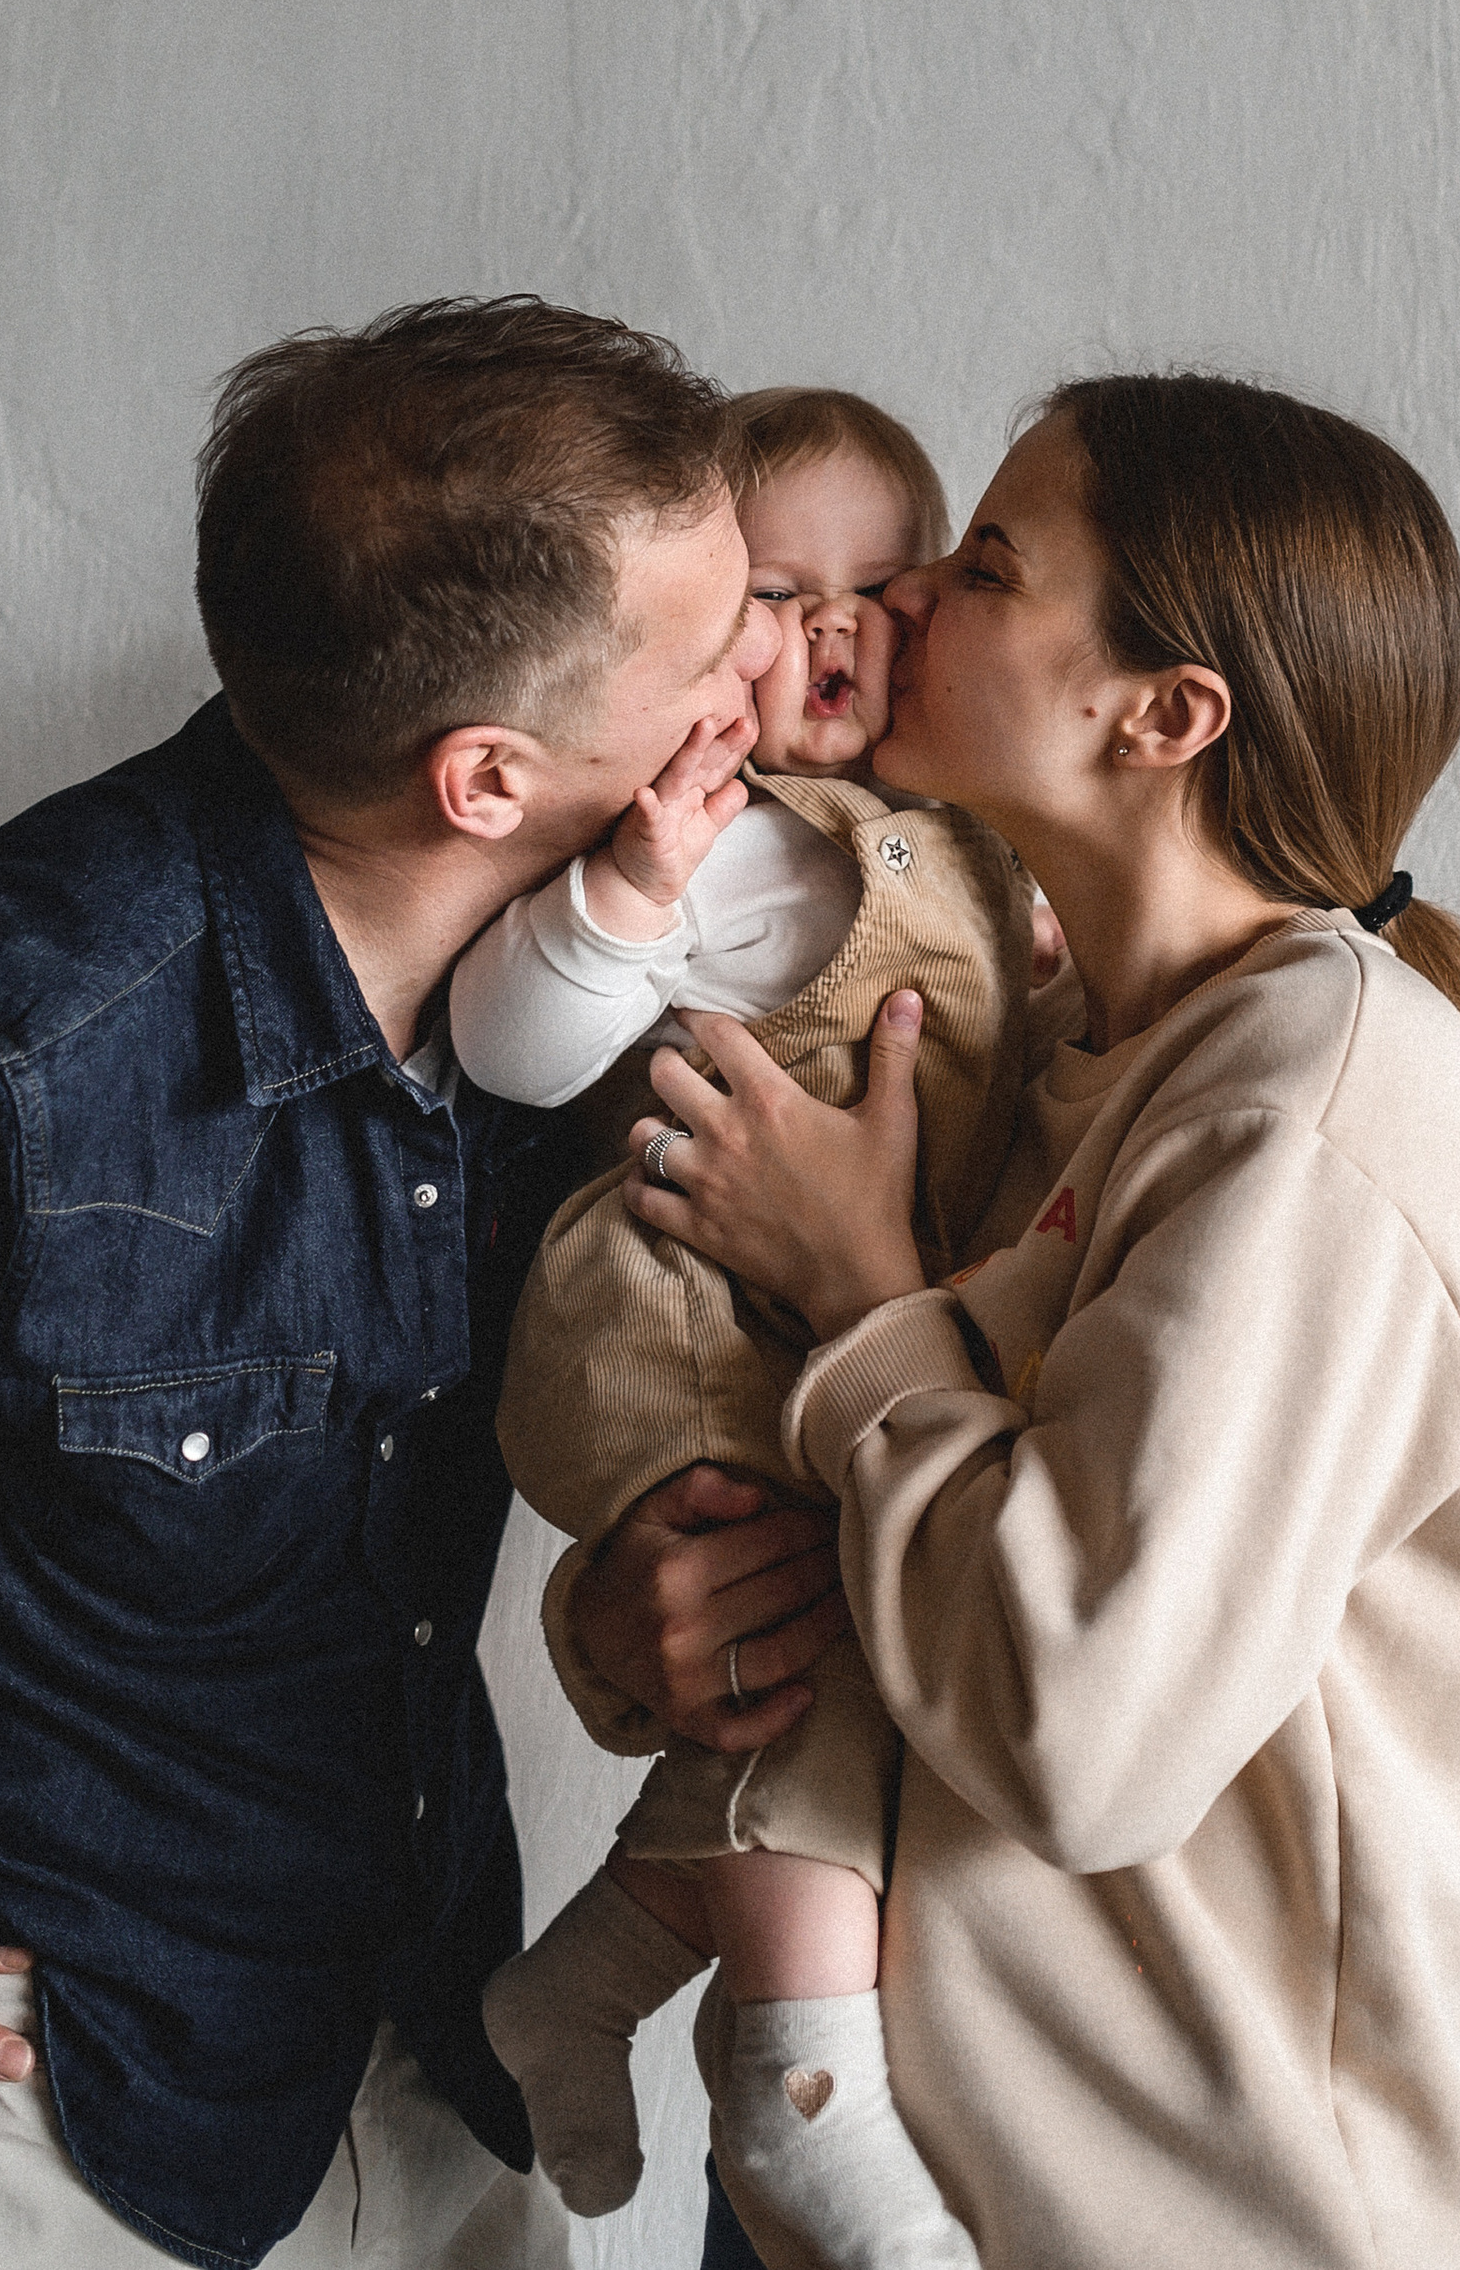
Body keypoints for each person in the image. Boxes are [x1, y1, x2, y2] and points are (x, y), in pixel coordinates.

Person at [0, 296, 845, 2270]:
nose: (767, 670)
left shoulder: (587, 986)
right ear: (485, 776)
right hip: (25, 2106)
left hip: (423, 2044)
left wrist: (613, 1619)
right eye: (713, 639)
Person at [593, 371, 1460, 2270]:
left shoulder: (1316, 1109)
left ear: (1164, 714)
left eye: (981, 565)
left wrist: (864, 1295)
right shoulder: (1043, 1050)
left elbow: (1080, 1732)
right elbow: (878, 1556)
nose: (892, 608)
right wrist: (649, 1619)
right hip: (858, 2169)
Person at [451, 388, 1030, 2270]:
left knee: (828, 1631)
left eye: (889, 583)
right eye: (781, 592)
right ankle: (800, 2100)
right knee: (811, 1638)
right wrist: (622, 898)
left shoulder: (971, 845)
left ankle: (590, 1977)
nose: (840, 625)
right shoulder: (713, 840)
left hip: (823, 1340)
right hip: (681, 1311)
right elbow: (511, 1043)